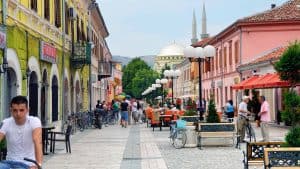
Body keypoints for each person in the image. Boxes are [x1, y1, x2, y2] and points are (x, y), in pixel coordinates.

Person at [0, 95, 43, 169]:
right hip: (9, 162)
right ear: (11, 110)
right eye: (15, 110)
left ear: (27, 110)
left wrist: (38, 164)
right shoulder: (6, 122)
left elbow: (37, 141)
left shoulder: (34, 121)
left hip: (27, 163)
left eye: (21, 110)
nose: (18, 113)